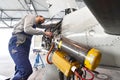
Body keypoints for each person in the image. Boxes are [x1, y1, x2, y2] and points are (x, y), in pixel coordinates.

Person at [8, 14, 52, 80]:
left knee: (20, 69)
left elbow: (44, 26)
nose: (43, 21)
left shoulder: (33, 24)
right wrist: (45, 33)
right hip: (18, 43)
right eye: (43, 19)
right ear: (39, 16)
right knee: (25, 71)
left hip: (24, 45)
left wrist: (56, 24)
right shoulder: (31, 16)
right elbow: (27, 29)